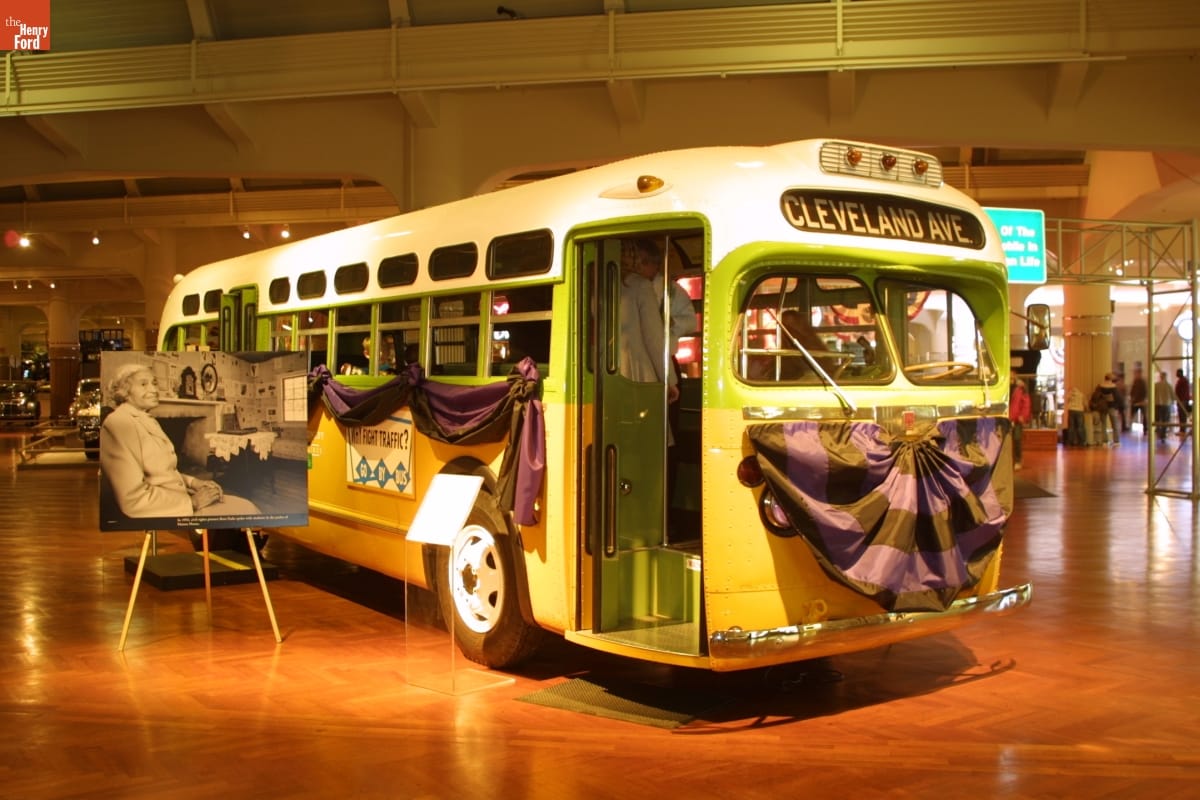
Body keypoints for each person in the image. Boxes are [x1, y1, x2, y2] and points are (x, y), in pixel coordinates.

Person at [100, 363, 260, 519]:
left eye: (154, 383)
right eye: (143, 384)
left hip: (178, 499)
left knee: (245, 506)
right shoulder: (118, 423)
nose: (154, 390)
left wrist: (194, 482)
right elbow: (133, 499)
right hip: (165, 511)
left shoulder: (146, 419)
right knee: (247, 510)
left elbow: (163, 473)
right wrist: (193, 502)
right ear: (125, 391)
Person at [1090, 373, 1120, 447]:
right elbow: (1118, 398)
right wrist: (1119, 406)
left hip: (1103, 407)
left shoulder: (1100, 386)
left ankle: (1104, 441)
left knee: (1103, 424)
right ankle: (1116, 441)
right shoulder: (1113, 387)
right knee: (1114, 424)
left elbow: (1095, 396)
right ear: (1111, 379)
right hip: (1112, 407)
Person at [1008, 378, 1032, 469]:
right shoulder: (1005, 388)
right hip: (1007, 418)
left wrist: (1023, 416)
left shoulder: (1021, 389)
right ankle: (1009, 461)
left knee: (1017, 440)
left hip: (1017, 419)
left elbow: (1026, 403)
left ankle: (1018, 460)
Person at [1153, 370, 1173, 444]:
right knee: (1165, 421)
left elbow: (1153, 394)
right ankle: (1163, 435)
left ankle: (1158, 433)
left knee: (1158, 420)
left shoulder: (1156, 385)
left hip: (1157, 404)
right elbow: (1172, 396)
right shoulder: (1169, 385)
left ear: (1160, 377)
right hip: (1166, 405)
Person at [1128, 366, 1147, 433]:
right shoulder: (1137, 381)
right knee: (1134, 415)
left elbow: (1144, 391)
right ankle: (1130, 427)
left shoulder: (1140, 382)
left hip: (1139, 401)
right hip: (1137, 401)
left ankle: (1145, 428)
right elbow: (1132, 391)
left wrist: (1133, 398)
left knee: (1143, 415)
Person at [1175, 368, 1191, 438]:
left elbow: (1182, 392)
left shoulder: (1183, 381)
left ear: (1180, 373)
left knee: (1182, 415)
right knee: (1181, 415)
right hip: (1182, 400)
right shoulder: (1182, 380)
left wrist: (1181, 400)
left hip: (1182, 400)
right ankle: (1182, 429)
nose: (1176, 374)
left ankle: (1183, 430)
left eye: (1177, 373)